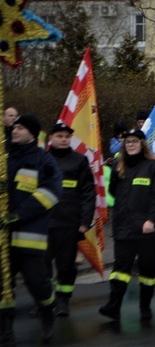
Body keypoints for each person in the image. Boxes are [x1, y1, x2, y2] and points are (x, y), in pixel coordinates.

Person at [1, 115, 62, 344]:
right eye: (14, 127)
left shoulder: (43, 160)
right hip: (3, 237)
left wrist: (19, 215)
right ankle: (5, 330)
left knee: (38, 283)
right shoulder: (3, 158)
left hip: (29, 236)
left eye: (20, 127)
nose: (14, 130)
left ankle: (47, 313)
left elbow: (50, 193)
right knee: (3, 287)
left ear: (32, 133)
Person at [99, 129, 155, 321]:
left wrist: (151, 220)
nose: (130, 144)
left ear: (142, 144)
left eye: (134, 141)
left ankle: (145, 307)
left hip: (146, 228)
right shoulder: (118, 168)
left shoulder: (154, 166)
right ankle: (113, 305)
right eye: (127, 141)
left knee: (147, 269)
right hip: (123, 226)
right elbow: (114, 191)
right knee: (120, 269)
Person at [46, 121, 95, 317]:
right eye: (60, 136)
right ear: (51, 138)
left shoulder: (79, 161)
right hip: (44, 223)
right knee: (41, 266)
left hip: (70, 223)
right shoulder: (42, 159)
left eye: (67, 136)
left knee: (66, 265)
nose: (64, 139)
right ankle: (45, 300)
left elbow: (88, 192)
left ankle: (63, 300)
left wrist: (85, 221)